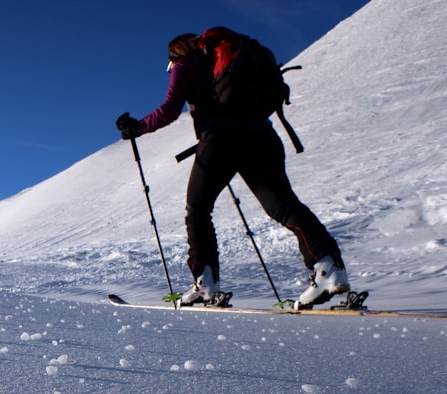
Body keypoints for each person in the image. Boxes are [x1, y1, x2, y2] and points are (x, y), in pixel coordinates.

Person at [116, 32, 349, 309]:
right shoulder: (233, 59)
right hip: (262, 136)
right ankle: (328, 267)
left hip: (220, 142)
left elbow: (168, 110)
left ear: (174, 55)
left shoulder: (185, 64)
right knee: (284, 206)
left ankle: (205, 284)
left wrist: (136, 128)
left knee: (197, 210)